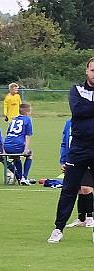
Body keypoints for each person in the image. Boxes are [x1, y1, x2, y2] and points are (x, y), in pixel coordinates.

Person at [48, 58, 94, 244]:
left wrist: (86, 108)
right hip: (79, 147)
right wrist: (85, 109)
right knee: (69, 189)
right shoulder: (76, 90)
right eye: (92, 70)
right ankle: (58, 228)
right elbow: (77, 109)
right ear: (87, 71)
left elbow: (84, 110)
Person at [60, 119, 94, 228]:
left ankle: (90, 216)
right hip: (73, 158)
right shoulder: (68, 123)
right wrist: (63, 160)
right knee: (78, 189)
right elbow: (65, 143)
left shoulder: (88, 122)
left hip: (87, 156)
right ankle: (81, 218)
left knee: (86, 187)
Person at [4, 103, 33, 185]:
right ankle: (24, 177)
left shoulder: (13, 119)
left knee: (17, 157)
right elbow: (27, 136)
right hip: (17, 145)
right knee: (30, 154)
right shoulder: (27, 120)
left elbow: (8, 133)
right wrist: (25, 150)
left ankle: (19, 177)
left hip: (7, 145)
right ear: (28, 112)